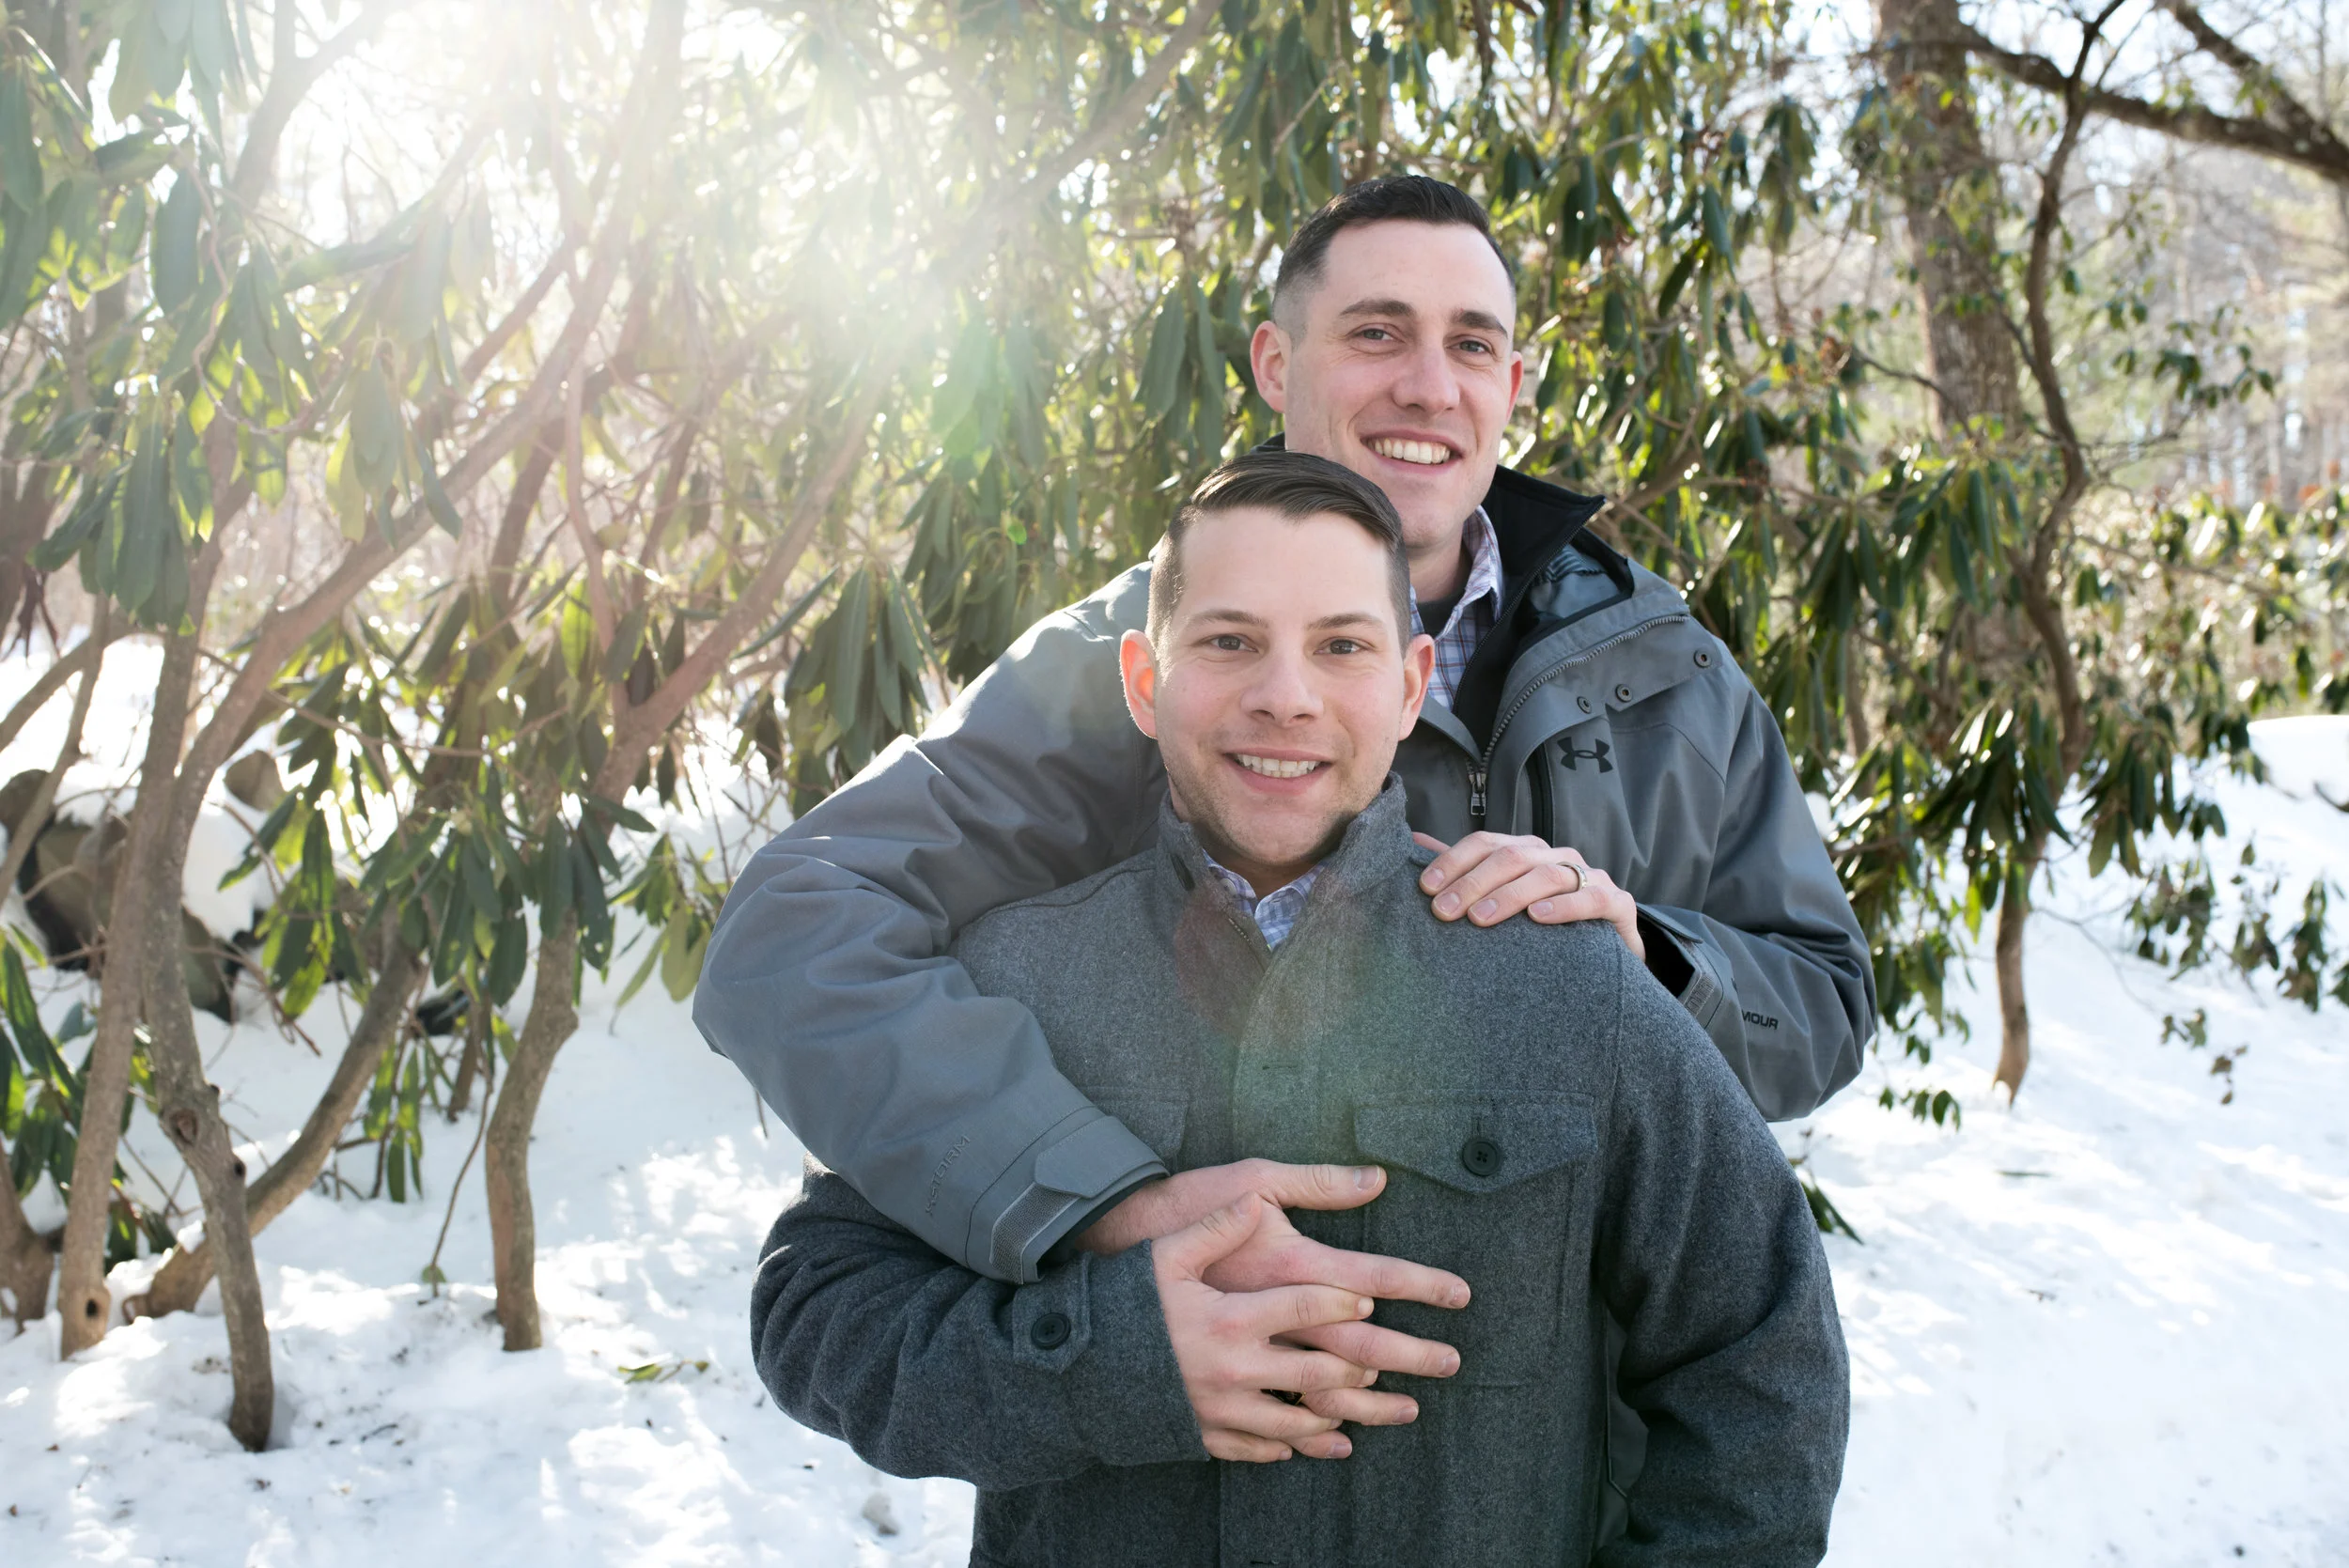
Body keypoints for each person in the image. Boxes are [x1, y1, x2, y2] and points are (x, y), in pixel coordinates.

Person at [694, 176, 1875, 1312]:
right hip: (1229, 1431)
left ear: (1513, 382)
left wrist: (1651, 958)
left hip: (1574, 1440)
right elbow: (801, 922)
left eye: (1470, 345)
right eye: (1375, 332)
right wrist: (1090, 1195)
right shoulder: (1138, 661)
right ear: (1274, 364)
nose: (1428, 385)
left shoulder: (1666, 670)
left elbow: (1820, 1008)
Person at [750, 452, 1850, 1566]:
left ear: (1412, 683)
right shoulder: (1016, 972)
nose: (1286, 694)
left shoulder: (1573, 983)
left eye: (1341, 645)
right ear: (1143, 678)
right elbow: (817, 1313)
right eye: (1228, 641)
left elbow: (1761, 1357)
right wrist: (1100, 1359)